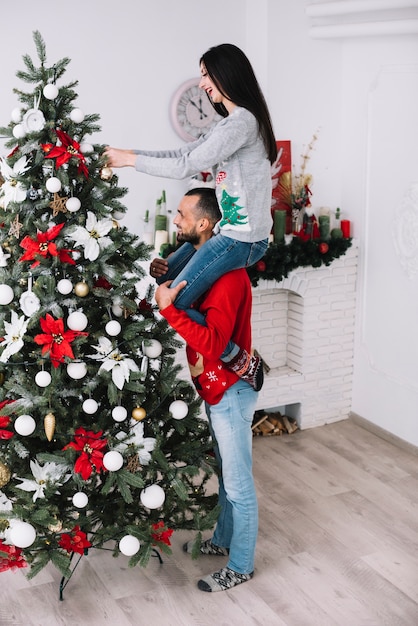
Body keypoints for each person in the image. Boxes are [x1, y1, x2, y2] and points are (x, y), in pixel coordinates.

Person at [105, 43, 276, 389]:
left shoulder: (242, 123)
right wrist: (129, 153)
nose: (201, 84)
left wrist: (129, 162)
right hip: (228, 233)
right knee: (165, 274)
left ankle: (240, 359)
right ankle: (235, 355)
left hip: (241, 239)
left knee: (176, 301)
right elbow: (183, 151)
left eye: (204, 74)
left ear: (224, 74)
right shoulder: (229, 123)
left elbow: (187, 164)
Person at [154, 188, 259, 592]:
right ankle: (223, 540)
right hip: (218, 390)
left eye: (181, 215)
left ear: (204, 224)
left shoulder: (229, 278)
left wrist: (169, 310)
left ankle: (242, 565)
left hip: (231, 392)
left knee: (238, 483)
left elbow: (214, 343)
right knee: (227, 473)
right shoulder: (204, 271)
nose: (176, 221)